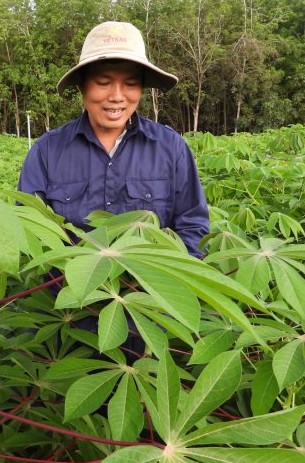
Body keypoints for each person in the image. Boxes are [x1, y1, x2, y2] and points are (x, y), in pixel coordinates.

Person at [17, 21, 209, 362]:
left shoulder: (171, 148)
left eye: (131, 84)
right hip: (67, 315)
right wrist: (74, 287)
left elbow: (192, 224)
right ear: (82, 85)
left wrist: (171, 289)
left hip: (148, 314)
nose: (117, 96)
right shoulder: (47, 151)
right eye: (104, 83)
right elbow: (30, 235)